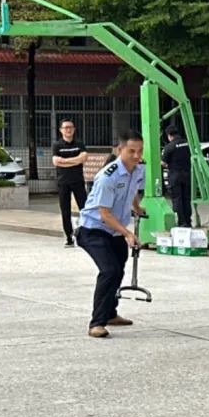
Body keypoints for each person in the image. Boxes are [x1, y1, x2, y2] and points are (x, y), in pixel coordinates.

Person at [76, 130, 146, 338]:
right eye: (131, 151)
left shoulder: (137, 169)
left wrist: (137, 207)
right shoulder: (108, 176)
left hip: (114, 230)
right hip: (94, 229)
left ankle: (110, 313)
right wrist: (128, 234)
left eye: (140, 151)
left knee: (119, 269)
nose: (136, 155)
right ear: (119, 150)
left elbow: (132, 190)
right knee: (109, 270)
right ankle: (96, 323)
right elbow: (104, 213)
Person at [52, 119, 89, 247]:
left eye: (70, 127)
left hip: (78, 181)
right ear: (61, 130)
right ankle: (69, 237)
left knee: (85, 209)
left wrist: (65, 161)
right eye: (66, 127)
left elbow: (84, 158)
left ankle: (86, 233)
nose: (68, 130)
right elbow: (56, 161)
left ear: (74, 129)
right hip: (63, 182)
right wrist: (75, 160)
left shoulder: (79, 144)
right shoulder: (57, 145)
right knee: (65, 211)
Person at [161, 125, 192, 227]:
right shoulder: (187, 144)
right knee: (186, 199)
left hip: (175, 176)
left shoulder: (169, 147)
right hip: (187, 175)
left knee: (177, 199)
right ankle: (188, 221)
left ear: (169, 135)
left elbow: (163, 163)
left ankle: (181, 222)